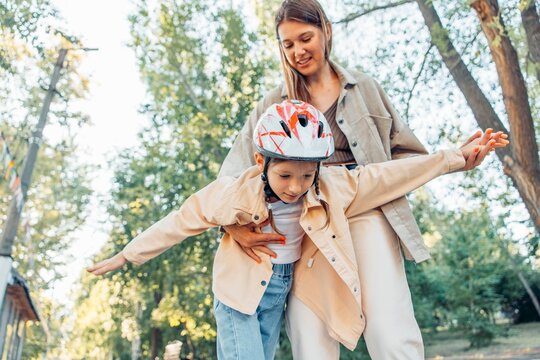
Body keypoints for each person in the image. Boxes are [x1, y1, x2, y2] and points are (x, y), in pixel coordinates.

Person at [87, 100, 506, 360]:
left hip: (278, 291)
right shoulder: (232, 194)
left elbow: (386, 176)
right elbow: (180, 220)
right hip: (238, 294)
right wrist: (127, 254)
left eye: (305, 175)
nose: (294, 187)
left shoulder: (329, 186)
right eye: (285, 175)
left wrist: (453, 158)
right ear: (260, 161)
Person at [218, 0, 509, 358]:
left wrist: (453, 160)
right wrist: (231, 226)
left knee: (391, 334)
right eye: (287, 44)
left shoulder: (364, 89)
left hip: (367, 213)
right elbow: (231, 175)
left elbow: (407, 156)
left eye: (305, 38)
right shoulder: (274, 106)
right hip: (305, 225)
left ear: (326, 31)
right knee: (311, 341)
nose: (297, 51)